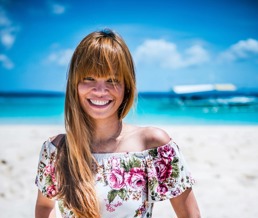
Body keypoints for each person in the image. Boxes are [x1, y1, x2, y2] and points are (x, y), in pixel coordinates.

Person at [35, 28, 201, 218]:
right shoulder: (56, 150)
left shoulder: (153, 146)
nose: (100, 91)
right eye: (89, 78)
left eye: (112, 80)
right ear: (75, 84)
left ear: (127, 87)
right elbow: (44, 207)